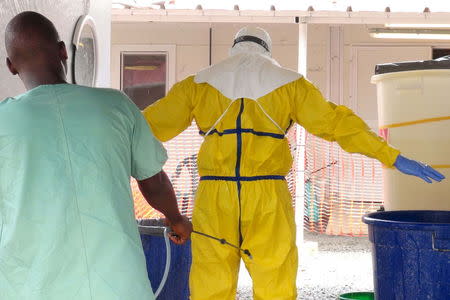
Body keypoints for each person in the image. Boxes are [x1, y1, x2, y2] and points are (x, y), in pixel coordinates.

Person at [143, 26, 445, 300]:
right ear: (267, 49)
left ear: (234, 46)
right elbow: (338, 124)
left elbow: (147, 126)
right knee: (275, 280)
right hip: (268, 197)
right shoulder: (291, 84)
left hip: (213, 196)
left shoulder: (197, 84)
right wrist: (392, 156)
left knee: (210, 282)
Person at [0, 11, 192, 300]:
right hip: (115, 283)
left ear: (11, 66)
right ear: (63, 51)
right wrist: (176, 218)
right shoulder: (115, 106)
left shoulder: (4, 120)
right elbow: (153, 182)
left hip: (31, 284)